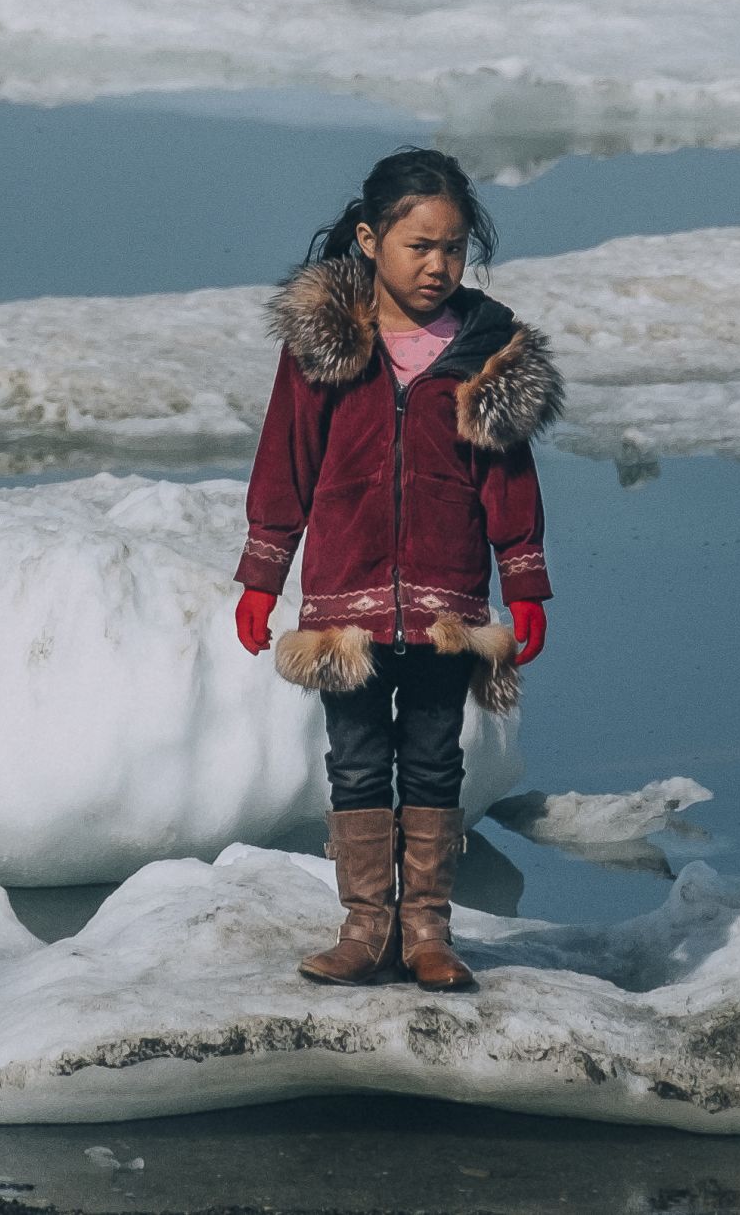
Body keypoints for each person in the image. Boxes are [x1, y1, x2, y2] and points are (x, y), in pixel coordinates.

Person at [231, 145, 562, 992]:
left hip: (447, 598)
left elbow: (509, 477)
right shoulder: (326, 341)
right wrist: (264, 572)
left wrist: (522, 580)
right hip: (347, 595)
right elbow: (285, 459)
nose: (438, 264)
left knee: (432, 756)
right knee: (354, 756)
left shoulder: (487, 350)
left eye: (453, 247)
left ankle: (427, 931)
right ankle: (365, 925)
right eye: (420, 245)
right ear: (372, 239)